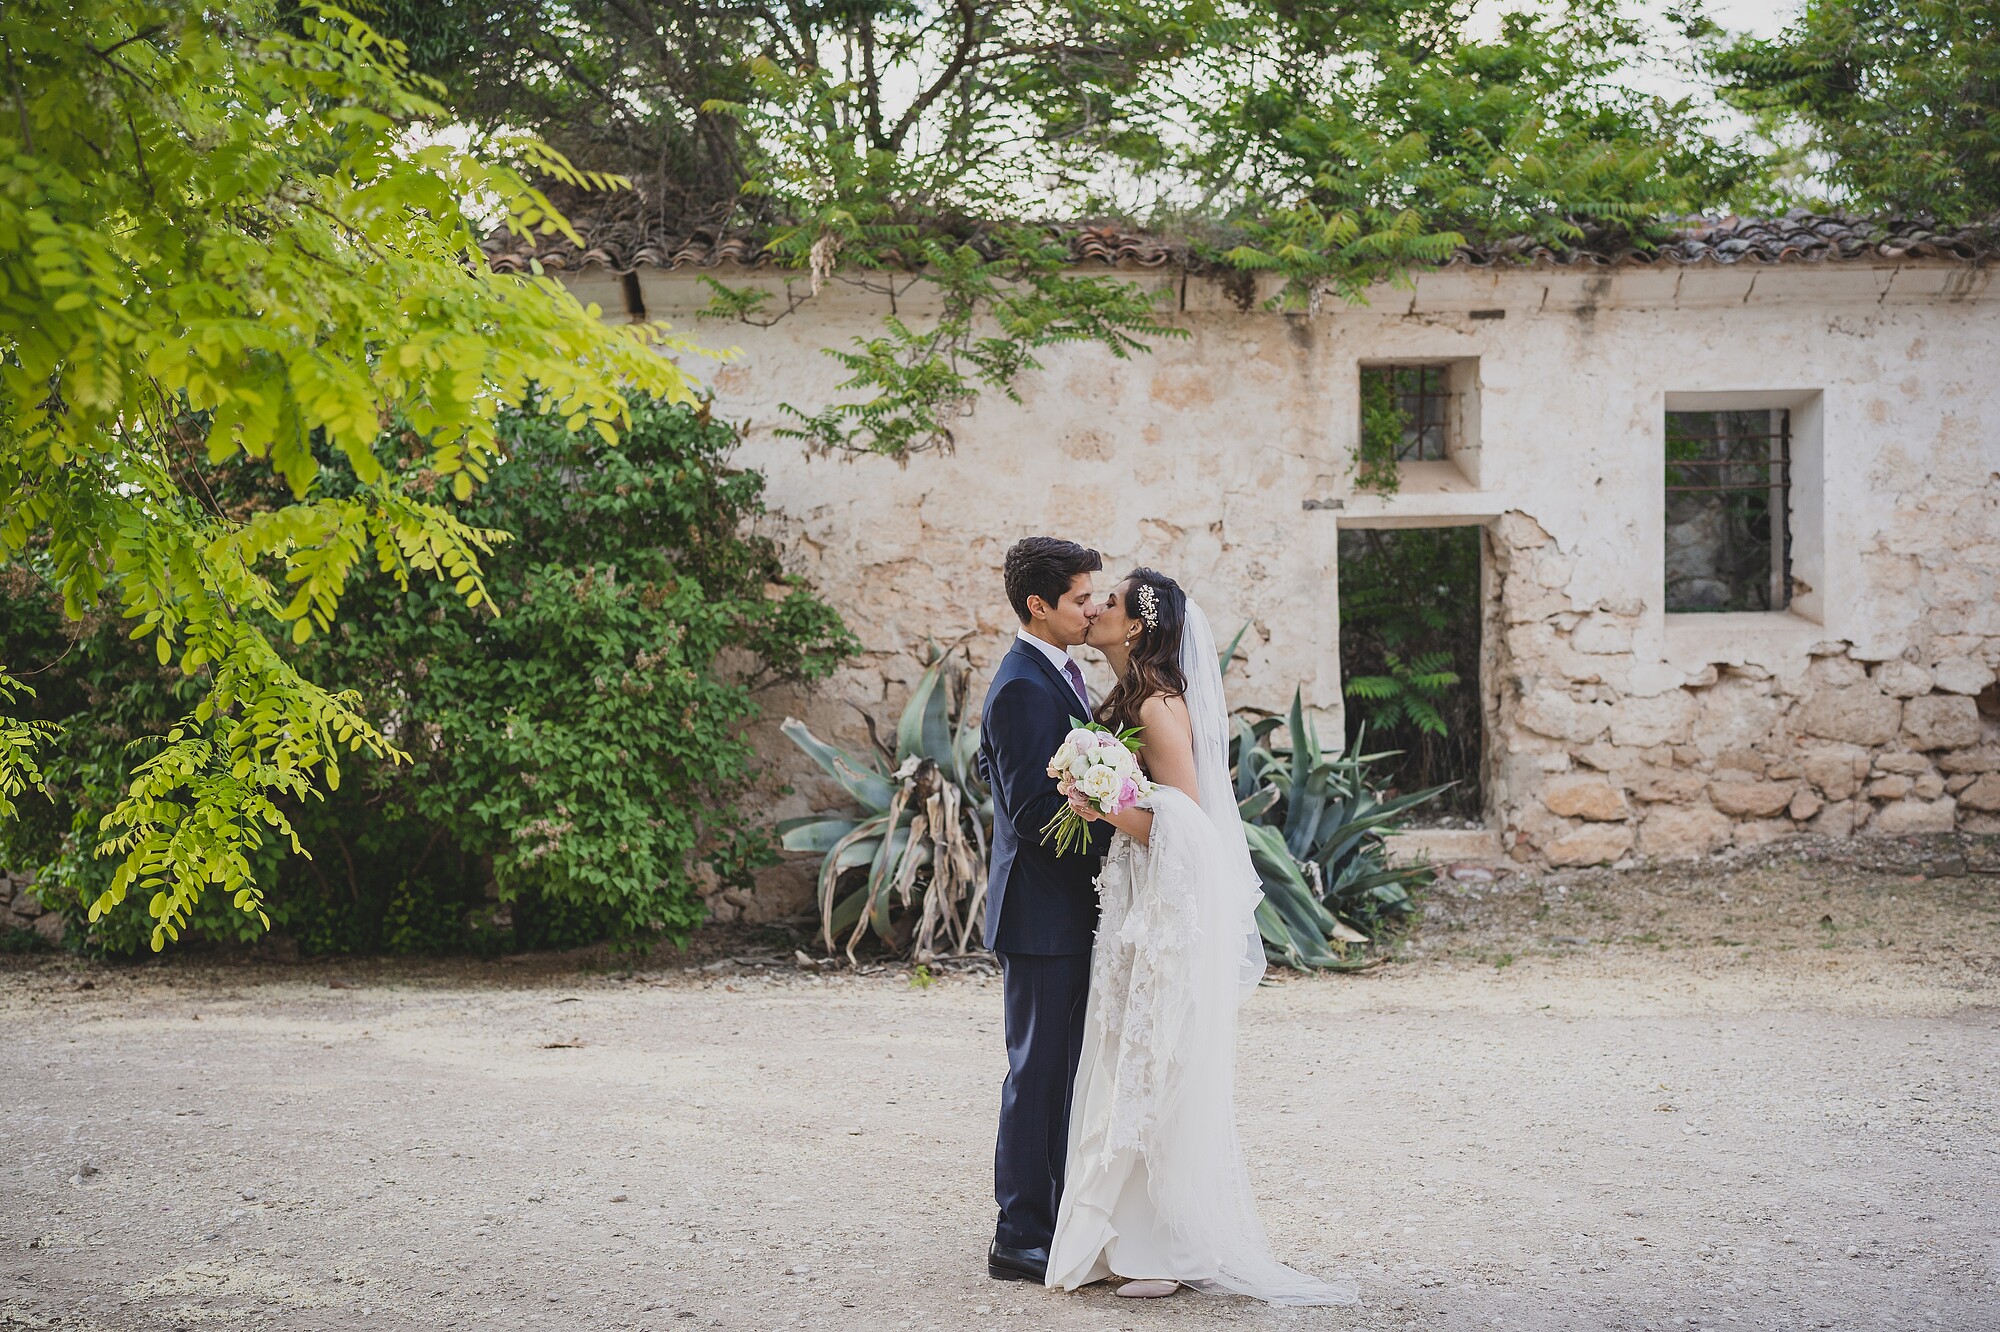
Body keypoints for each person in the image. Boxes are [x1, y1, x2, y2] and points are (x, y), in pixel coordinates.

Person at [1044, 567, 1359, 1306]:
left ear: (1138, 627)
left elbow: (1182, 822)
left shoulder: (1155, 706)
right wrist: (1106, 798)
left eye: (1111, 603)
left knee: (1156, 1059)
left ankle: (1166, 1244)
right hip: (1137, 900)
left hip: (1166, 909)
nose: (1096, 608)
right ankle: (1123, 1237)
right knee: (1129, 1053)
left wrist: (1100, 805)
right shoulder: (1127, 698)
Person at [977, 536, 1113, 1284]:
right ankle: (1019, 1235)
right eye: (1080, 598)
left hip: (1064, 913)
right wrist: (1125, 828)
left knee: (1062, 1071)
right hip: (1041, 917)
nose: (1092, 607)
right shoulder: (1023, 684)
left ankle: (1054, 1215)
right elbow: (1034, 810)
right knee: (1036, 1073)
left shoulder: (1053, 673)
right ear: (1040, 604)